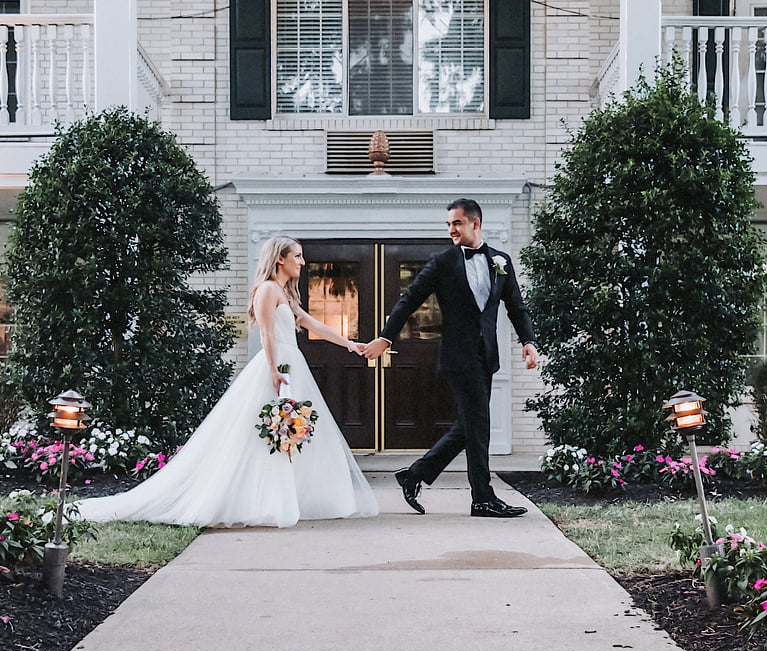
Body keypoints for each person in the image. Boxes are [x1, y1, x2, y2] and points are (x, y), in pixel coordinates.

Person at [74, 235, 379, 527]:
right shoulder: (268, 290)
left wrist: (350, 344)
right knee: (267, 433)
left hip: (291, 365)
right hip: (278, 367)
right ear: (280, 259)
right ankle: (264, 501)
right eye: (297, 256)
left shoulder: (285, 293)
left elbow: (310, 323)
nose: (303, 261)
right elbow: (266, 334)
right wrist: (274, 369)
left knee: (290, 433)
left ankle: (287, 498)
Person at [364, 198, 539, 518]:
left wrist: (528, 341)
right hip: (460, 358)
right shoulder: (442, 262)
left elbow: (516, 306)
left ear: (475, 223)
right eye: (448, 224)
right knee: (478, 426)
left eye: (456, 223)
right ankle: (482, 498)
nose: (451, 230)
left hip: (486, 356)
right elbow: (409, 300)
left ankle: (415, 474)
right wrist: (386, 337)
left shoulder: (501, 261)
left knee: (470, 426)